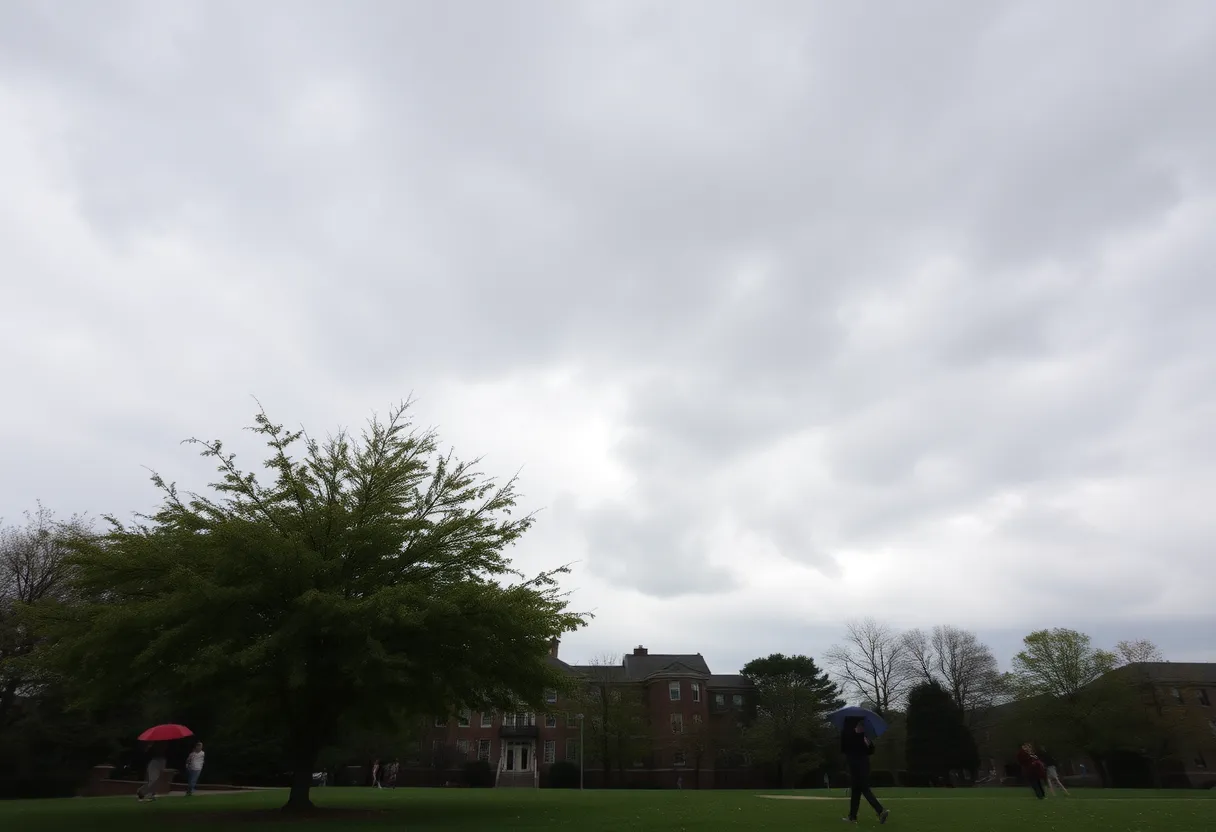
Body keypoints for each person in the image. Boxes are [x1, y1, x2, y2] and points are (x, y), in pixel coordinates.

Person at [841, 716, 891, 824]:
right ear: (856, 726)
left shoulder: (858, 737)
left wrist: (867, 743)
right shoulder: (858, 737)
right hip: (861, 767)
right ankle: (852, 817)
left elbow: (870, 751)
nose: (862, 728)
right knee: (856, 792)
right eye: (861, 725)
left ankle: (880, 810)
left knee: (863, 789)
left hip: (858, 767)